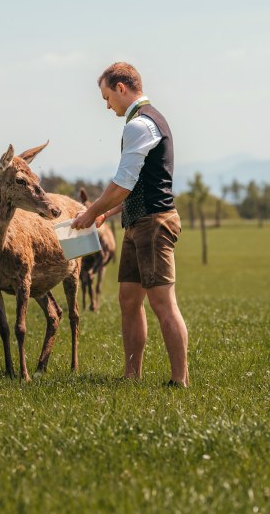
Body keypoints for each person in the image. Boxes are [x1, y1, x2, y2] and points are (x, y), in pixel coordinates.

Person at [72, 62, 188, 386]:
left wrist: (87, 212)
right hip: (137, 221)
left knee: (163, 303)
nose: (108, 106)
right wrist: (106, 214)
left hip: (154, 222)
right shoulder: (145, 122)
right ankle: (131, 376)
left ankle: (180, 380)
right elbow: (137, 185)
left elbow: (121, 184)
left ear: (121, 88)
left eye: (108, 97)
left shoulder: (139, 125)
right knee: (128, 299)